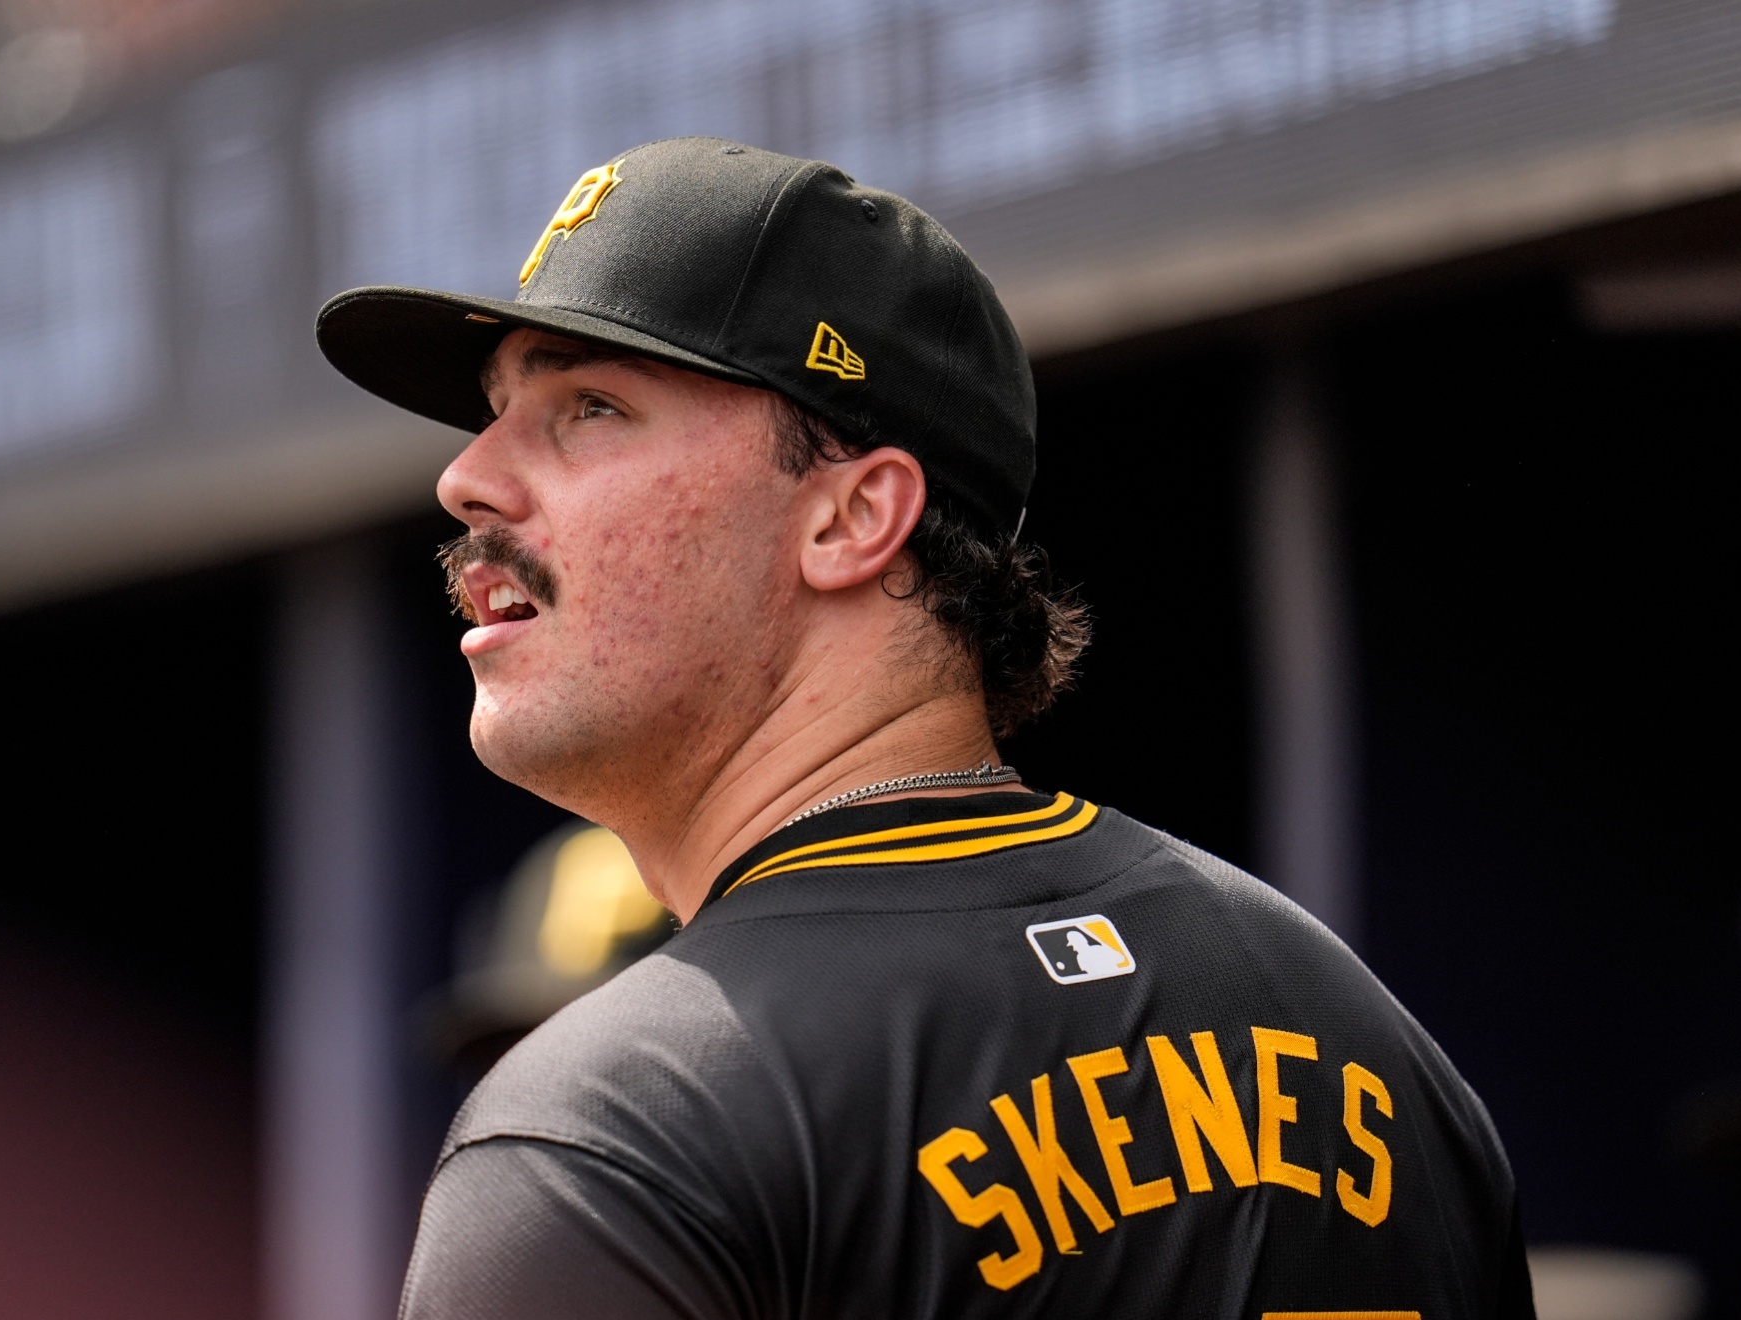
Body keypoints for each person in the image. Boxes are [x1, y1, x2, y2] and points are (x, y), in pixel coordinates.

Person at [316, 136, 1536, 1319]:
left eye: (589, 407)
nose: (467, 476)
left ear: (852, 519)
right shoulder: (1367, 1042)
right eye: (492, 408)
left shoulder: (620, 1130)